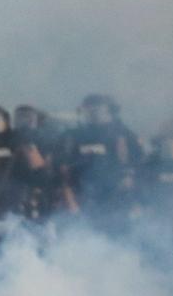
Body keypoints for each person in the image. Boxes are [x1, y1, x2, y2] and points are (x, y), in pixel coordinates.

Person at [58, 94, 143, 230]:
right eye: (87, 110)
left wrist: (130, 182)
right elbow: (63, 165)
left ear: (109, 110)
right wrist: (69, 196)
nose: (91, 113)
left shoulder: (124, 135)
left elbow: (138, 164)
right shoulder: (74, 135)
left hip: (116, 196)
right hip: (82, 196)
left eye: (96, 109)